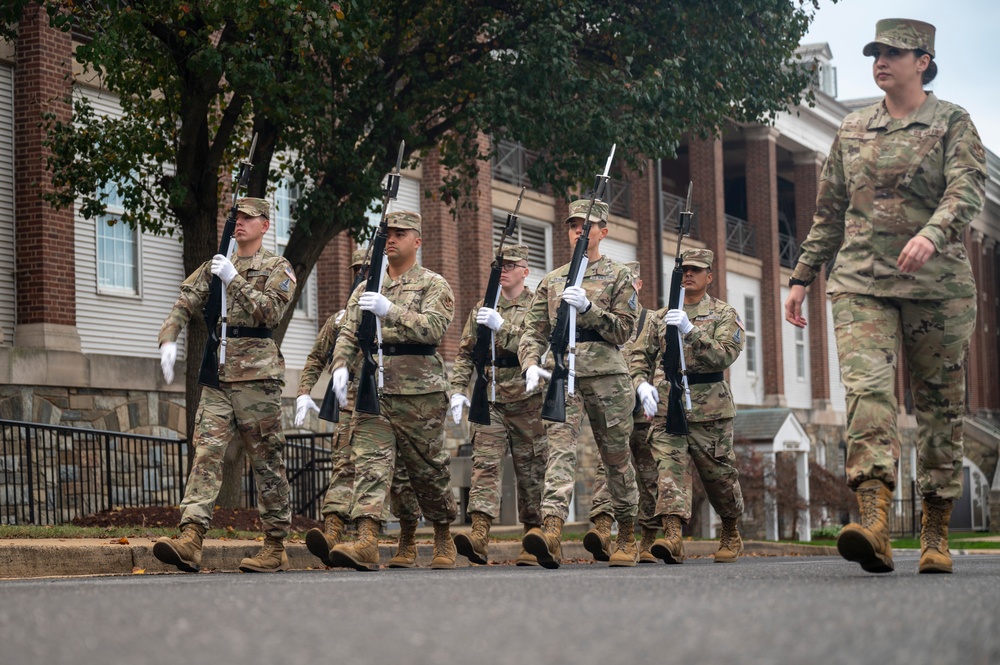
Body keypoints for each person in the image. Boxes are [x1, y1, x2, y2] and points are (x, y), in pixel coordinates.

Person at [784, 19, 986, 575]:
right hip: (861, 282)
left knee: (939, 407)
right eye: (876, 52)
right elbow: (829, 212)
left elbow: (967, 187)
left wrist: (932, 233)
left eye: (894, 53)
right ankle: (873, 521)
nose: (881, 61)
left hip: (937, 289)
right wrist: (801, 276)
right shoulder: (851, 129)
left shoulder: (951, 122)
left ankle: (935, 531)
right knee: (868, 391)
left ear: (923, 61)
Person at [155, 197, 295, 573]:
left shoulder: (277, 266)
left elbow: (270, 311)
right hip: (218, 373)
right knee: (206, 453)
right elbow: (186, 300)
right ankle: (191, 537)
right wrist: (169, 336)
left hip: (258, 378)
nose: (240, 223)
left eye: (249, 218)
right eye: (237, 217)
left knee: (267, 462)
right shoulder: (217, 263)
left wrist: (233, 281)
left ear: (265, 225)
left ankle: (275, 544)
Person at [326, 211, 459, 571]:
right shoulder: (367, 287)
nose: (392, 238)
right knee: (370, 465)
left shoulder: (434, 284)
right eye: (388, 233)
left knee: (427, 472)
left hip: (421, 395)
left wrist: (390, 310)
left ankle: (443, 533)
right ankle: (367, 540)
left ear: (417, 241)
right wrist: (340, 367)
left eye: (400, 233)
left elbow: (433, 329)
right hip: (375, 389)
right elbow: (349, 333)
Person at [518, 198, 640, 568]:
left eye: (586, 226)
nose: (578, 231)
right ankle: (551, 530)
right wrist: (528, 363)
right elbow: (532, 329)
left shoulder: (618, 275)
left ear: (603, 231)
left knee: (616, 457)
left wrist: (589, 308)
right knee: (559, 452)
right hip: (563, 375)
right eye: (573, 225)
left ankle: (628, 533)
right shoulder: (552, 280)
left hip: (607, 377)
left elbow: (624, 330)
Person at [296, 248, 422, 567]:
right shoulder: (339, 320)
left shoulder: (392, 309)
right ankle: (334, 534)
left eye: (367, 270)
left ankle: (407, 539)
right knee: (344, 469)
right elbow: (315, 358)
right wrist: (303, 392)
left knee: (402, 479)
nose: (361, 276)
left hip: (392, 400)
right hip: (351, 404)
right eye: (357, 271)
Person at [631, 249, 745, 564]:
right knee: (667, 471)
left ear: (709, 276)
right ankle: (673, 538)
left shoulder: (724, 314)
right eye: (685, 270)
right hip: (668, 405)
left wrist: (690, 331)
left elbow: (724, 355)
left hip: (710, 408)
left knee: (719, 477)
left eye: (696, 270)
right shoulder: (660, 317)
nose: (689, 275)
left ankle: (731, 530)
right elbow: (640, 355)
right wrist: (641, 385)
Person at [449, 244, 548, 566]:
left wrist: (501, 327)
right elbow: (466, 352)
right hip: (489, 396)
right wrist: (457, 389)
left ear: (525, 270)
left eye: (510, 265)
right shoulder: (483, 307)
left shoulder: (538, 305)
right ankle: (479, 535)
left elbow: (537, 346)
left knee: (531, 470)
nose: (503, 270)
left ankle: (534, 536)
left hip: (528, 399)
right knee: (485, 466)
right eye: (498, 265)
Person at [585, 261, 662, 563]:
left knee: (648, 473)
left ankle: (650, 538)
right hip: (613, 404)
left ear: (638, 285)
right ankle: (604, 530)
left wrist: (652, 390)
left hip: (645, 411)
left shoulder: (652, 321)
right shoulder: (605, 320)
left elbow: (662, 362)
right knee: (610, 467)